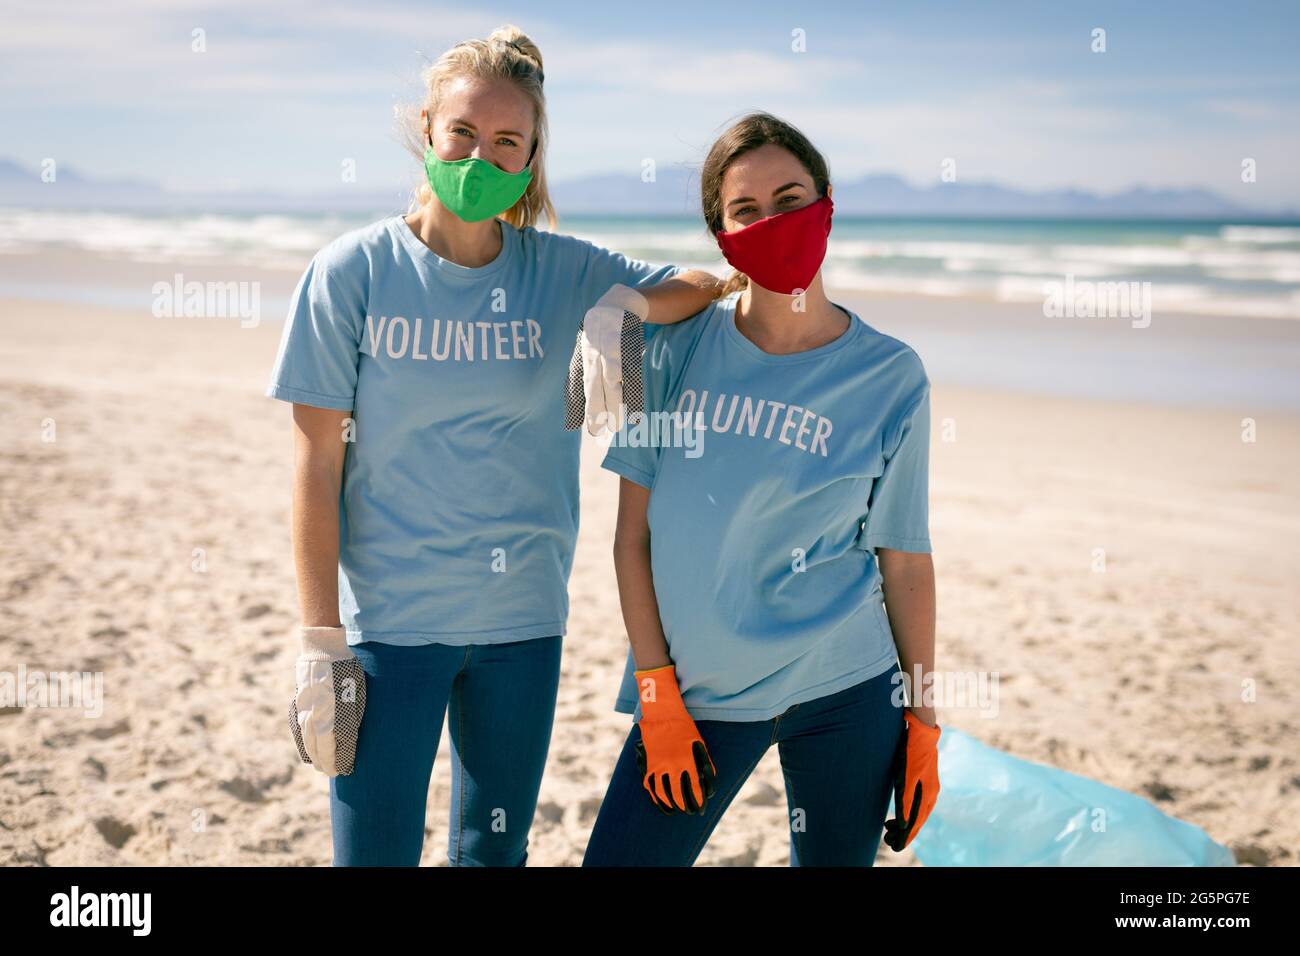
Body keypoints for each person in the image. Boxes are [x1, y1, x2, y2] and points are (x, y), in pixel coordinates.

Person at [269, 24, 723, 867]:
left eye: (506, 141)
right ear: (429, 132)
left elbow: (702, 282)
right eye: (464, 133)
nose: (481, 156)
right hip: (389, 631)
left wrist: (622, 312)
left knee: (492, 855)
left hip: (524, 624)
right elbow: (315, 464)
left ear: (532, 158)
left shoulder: (562, 271)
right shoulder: (352, 273)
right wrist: (318, 640)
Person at [582, 112, 941, 867]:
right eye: (746, 210)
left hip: (848, 686)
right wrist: (655, 692)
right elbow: (630, 541)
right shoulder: (674, 350)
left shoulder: (892, 374)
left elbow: (903, 558)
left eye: (790, 198)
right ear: (721, 232)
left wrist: (924, 720)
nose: (772, 221)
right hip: (700, 693)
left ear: (827, 204)